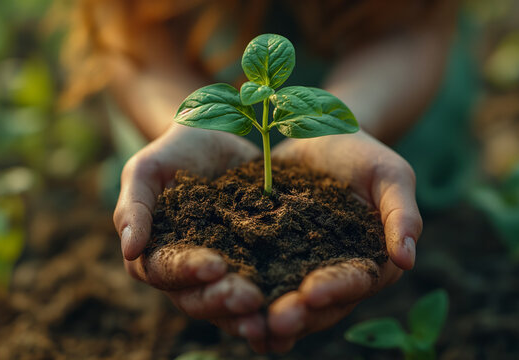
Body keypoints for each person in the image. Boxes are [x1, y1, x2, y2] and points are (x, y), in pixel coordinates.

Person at [64, 0, 457, 353]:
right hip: (185, 67)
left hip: (380, 77)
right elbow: (127, 26)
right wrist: (182, 126)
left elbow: (414, 20)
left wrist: (352, 124)